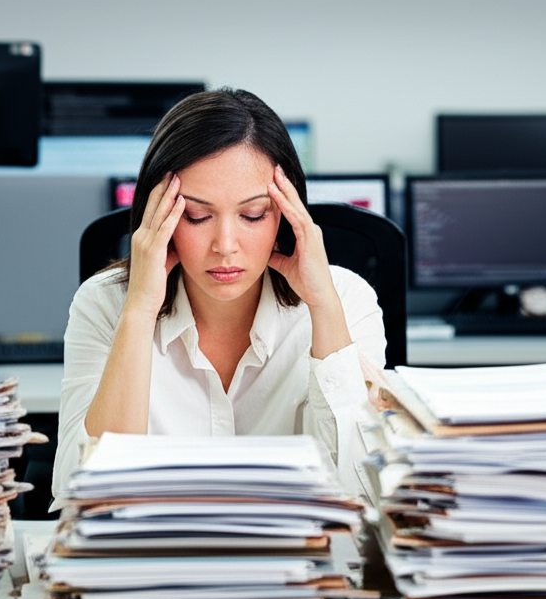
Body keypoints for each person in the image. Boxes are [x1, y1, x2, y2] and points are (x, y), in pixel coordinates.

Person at [50, 88, 385, 510]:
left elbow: (364, 492)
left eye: (252, 215)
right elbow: (84, 497)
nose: (225, 245)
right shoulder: (104, 304)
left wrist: (324, 308)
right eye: (197, 216)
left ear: (286, 215)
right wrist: (139, 310)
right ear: (158, 214)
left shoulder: (345, 299)